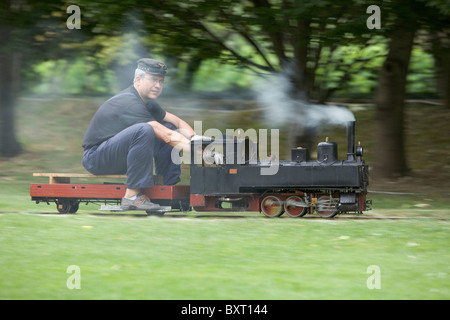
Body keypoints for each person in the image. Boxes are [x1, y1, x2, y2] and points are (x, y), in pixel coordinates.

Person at [82, 58, 196, 210]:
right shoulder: (128, 101)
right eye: (153, 80)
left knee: (168, 126)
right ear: (138, 79)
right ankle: (132, 197)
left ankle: (166, 189)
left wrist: (196, 140)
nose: (158, 85)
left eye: (161, 81)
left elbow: (177, 122)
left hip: (120, 155)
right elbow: (167, 136)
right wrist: (202, 154)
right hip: (96, 157)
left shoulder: (147, 102)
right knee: (147, 129)